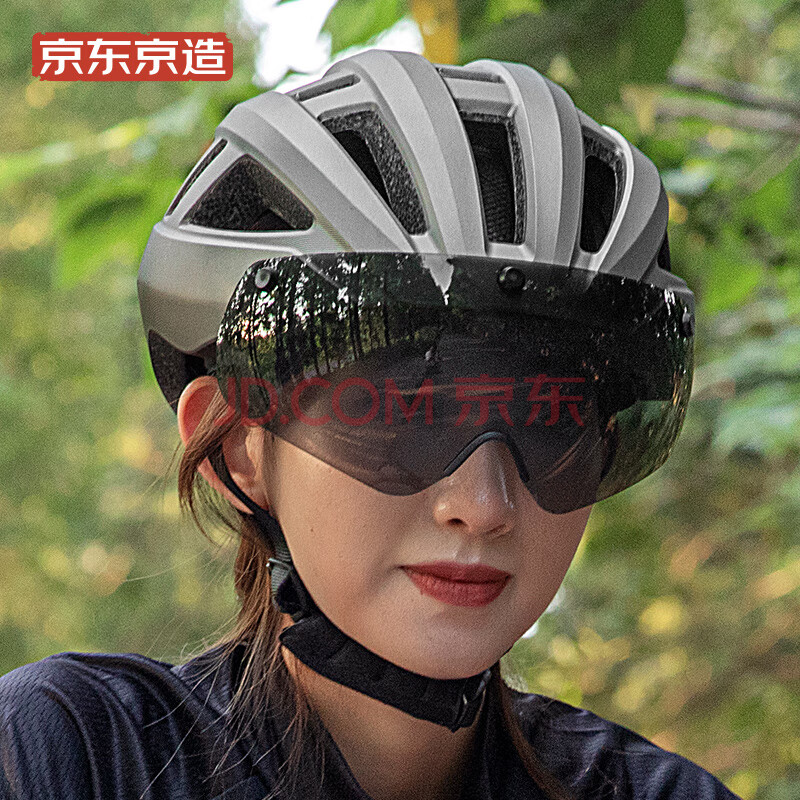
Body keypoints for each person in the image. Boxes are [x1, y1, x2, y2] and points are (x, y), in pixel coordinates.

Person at [0, 49, 739, 800]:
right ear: (238, 449)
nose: (483, 505)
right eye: (400, 411)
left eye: (549, 421)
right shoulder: (77, 753)